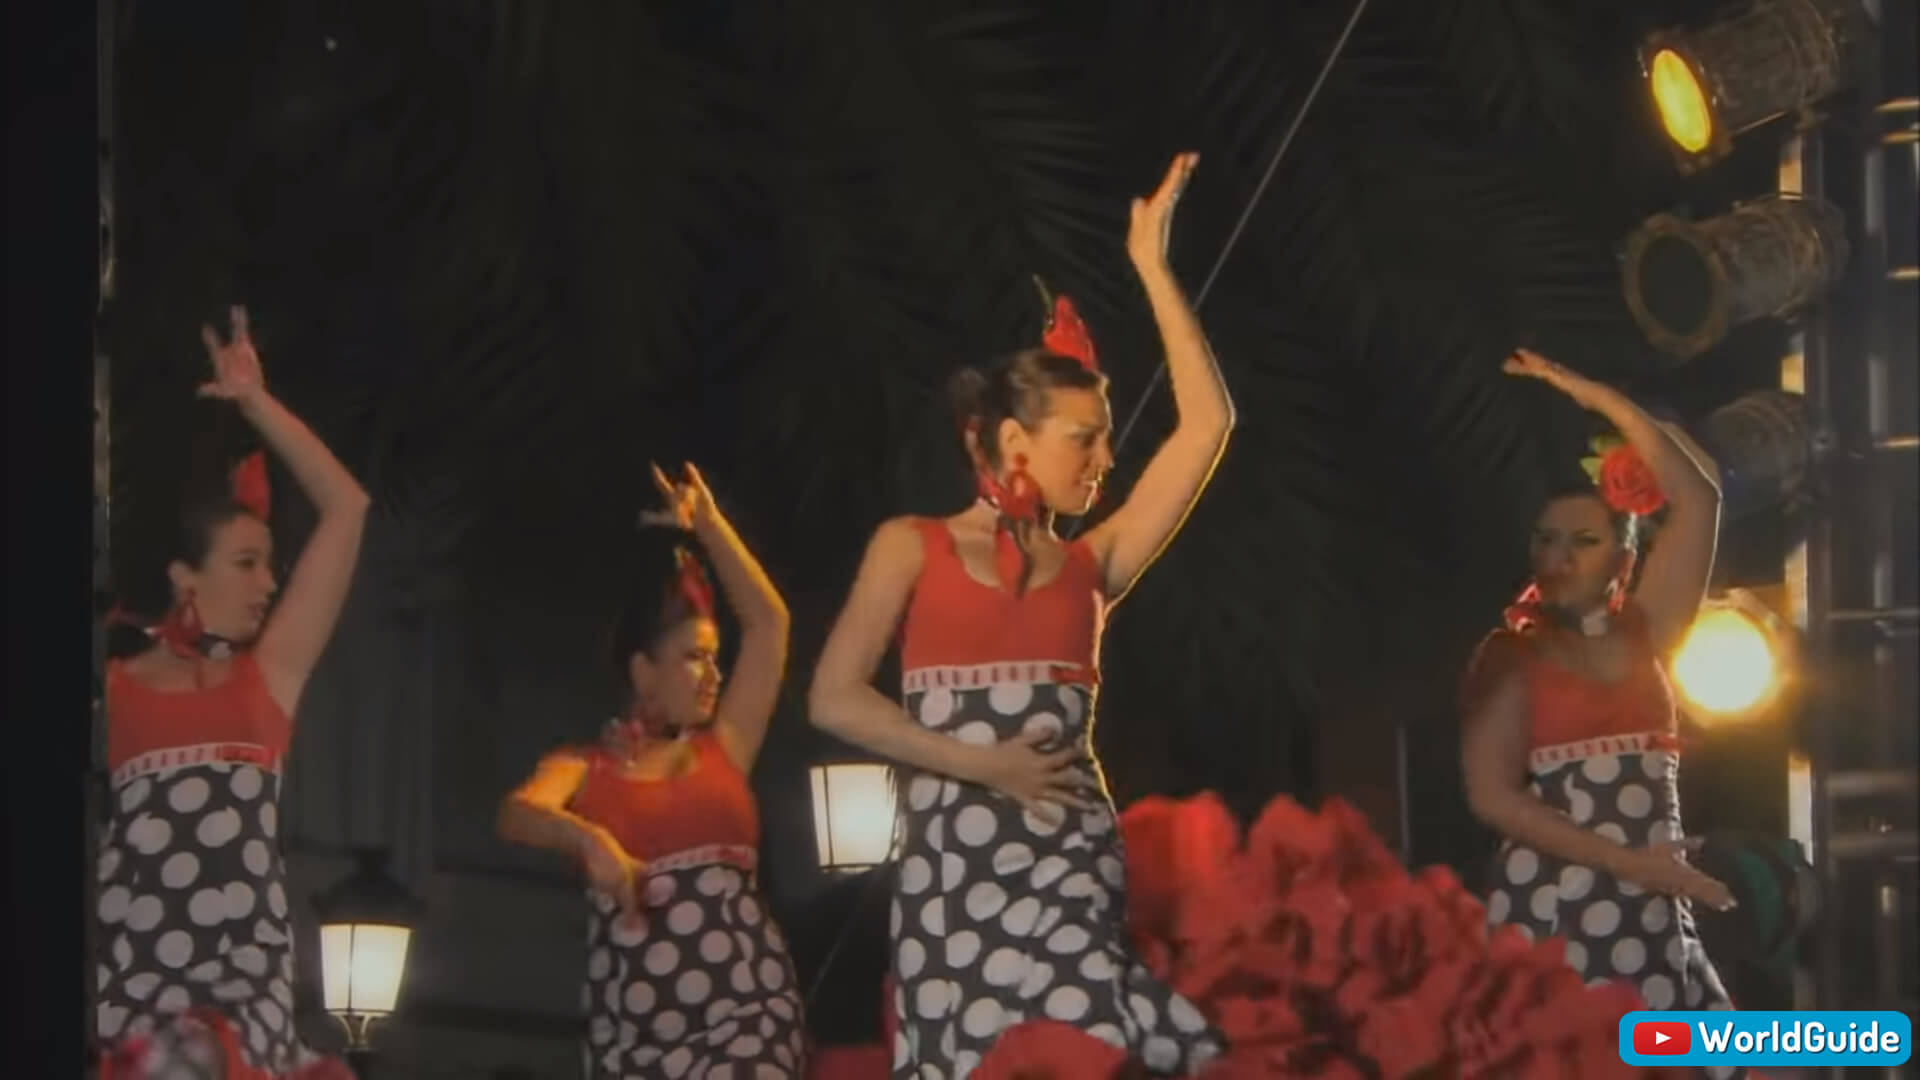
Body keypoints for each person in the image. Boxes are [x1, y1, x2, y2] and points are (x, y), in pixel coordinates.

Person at [809, 152, 1235, 1079]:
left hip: (1066, 858)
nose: (1102, 463)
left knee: (1095, 1040)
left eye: (1106, 442)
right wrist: (980, 763)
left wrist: (1153, 270)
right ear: (1013, 442)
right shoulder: (908, 545)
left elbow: (1207, 428)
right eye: (1084, 440)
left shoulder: (1094, 563)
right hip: (949, 872)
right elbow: (834, 700)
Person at [95, 307, 369, 1080]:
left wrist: (257, 405)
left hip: (249, 1014)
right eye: (248, 562)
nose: (269, 583)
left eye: (271, 563)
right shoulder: (111, 692)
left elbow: (348, 511)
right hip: (140, 1005)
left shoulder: (269, 676)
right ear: (185, 576)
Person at [1461, 348, 1742, 1029]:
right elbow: (1493, 797)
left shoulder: (1650, 633)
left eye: (1581, 540)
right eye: (1547, 539)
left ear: (1623, 556)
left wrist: (1596, 395)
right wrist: (1629, 864)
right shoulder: (1508, 654)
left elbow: (1700, 498)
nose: (1558, 556)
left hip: (1650, 900)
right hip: (1557, 898)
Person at [500, 463, 807, 1079]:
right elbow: (517, 814)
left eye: (715, 658)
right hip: (632, 1043)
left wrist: (711, 528)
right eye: (695, 658)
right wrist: (589, 839)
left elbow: (771, 626)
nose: (714, 674)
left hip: (747, 1022)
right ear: (644, 671)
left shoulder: (725, 748)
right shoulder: (585, 768)